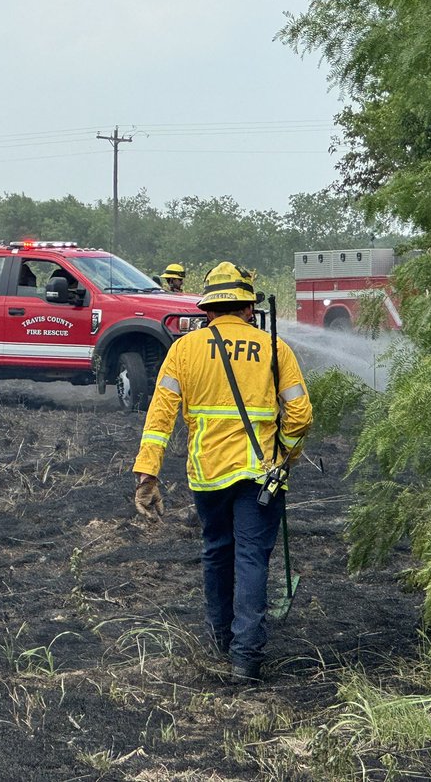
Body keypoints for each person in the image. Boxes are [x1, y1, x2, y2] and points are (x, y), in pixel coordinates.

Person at [131, 261, 312, 682]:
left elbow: (159, 418)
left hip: (207, 474)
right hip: (260, 475)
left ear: (208, 309)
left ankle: (219, 639)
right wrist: (285, 456)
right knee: (251, 557)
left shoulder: (184, 350)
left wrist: (148, 474)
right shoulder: (274, 348)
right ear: (249, 308)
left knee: (216, 550)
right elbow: (300, 415)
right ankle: (245, 659)